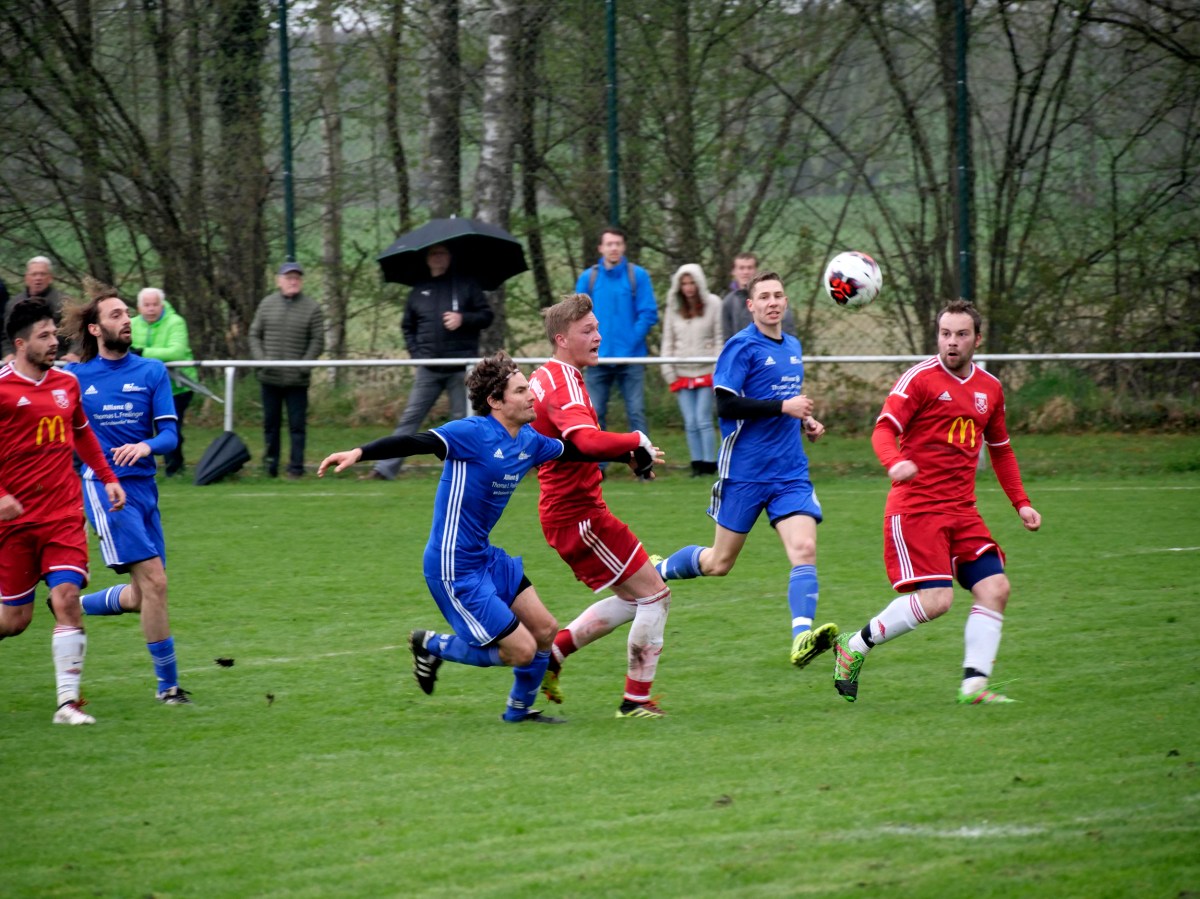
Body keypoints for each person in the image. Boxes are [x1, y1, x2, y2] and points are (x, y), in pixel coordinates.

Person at [317, 352, 657, 724]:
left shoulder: (530, 440)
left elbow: (574, 450)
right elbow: (416, 441)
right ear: (495, 401)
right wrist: (359, 452)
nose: (532, 396)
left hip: (484, 556)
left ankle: (519, 712)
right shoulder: (472, 433)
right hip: (453, 565)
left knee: (545, 630)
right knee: (522, 651)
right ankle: (432, 645)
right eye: (521, 391)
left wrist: (627, 456)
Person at [832, 299, 1042, 705]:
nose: (952, 342)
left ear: (977, 339)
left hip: (962, 510)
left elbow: (1001, 449)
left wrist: (1021, 503)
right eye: (945, 334)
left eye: (961, 334)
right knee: (937, 601)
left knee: (995, 587)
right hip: (917, 508)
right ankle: (854, 644)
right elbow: (882, 430)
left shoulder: (990, 388)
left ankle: (974, 688)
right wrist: (894, 462)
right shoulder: (920, 380)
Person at [653, 272, 839, 669]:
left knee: (804, 549)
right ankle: (658, 569)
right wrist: (783, 408)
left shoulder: (793, 346)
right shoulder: (741, 346)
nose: (773, 302)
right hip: (745, 472)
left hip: (789, 472)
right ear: (751, 305)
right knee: (719, 563)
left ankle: (801, 637)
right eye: (764, 297)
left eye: (778, 295)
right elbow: (726, 405)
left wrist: (805, 421)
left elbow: (786, 399)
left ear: (785, 302)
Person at [528, 294, 672, 719]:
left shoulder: (545, 375)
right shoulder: (564, 383)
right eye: (587, 330)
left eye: (597, 328)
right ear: (562, 338)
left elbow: (567, 445)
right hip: (578, 515)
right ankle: (635, 701)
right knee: (656, 596)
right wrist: (635, 440)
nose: (598, 336)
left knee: (634, 598)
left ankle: (554, 654)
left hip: (571, 511)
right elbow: (585, 440)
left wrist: (624, 455)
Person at [0, 299, 125, 725]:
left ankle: (67, 704)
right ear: (21, 344)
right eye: (44, 336)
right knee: (14, 621)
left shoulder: (66, 383)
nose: (54, 341)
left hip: (63, 515)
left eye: (54, 333)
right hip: (15, 523)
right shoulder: (2, 388)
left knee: (66, 597)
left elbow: (82, 433)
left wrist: (107, 477)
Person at [64, 289, 191, 705]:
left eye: (127, 314)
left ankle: (71, 603)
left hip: (145, 488)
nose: (126, 320)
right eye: (116, 314)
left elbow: (170, 435)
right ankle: (168, 688)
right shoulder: (76, 378)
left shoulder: (152, 371)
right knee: (156, 582)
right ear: (95, 328)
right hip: (106, 490)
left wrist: (145, 446)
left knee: (143, 595)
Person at [364, 244, 493, 481]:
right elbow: (408, 327)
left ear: (450, 256)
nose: (438, 258)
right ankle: (384, 469)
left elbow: (486, 316)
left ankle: (467, 471)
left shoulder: (466, 285)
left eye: (442, 253)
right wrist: (417, 356)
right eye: (433, 253)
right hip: (429, 369)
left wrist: (463, 318)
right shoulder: (418, 290)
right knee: (410, 419)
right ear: (427, 258)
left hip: (461, 369)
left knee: (464, 424)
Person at [574, 227, 658, 467]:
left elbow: (648, 313)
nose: (614, 248)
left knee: (636, 412)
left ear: (624, 247)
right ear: (600, 248)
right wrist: (590, 345)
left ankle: (645, 465)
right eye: (609, 244)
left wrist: (629, 343)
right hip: (596, 360)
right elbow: (576, 316)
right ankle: (598, 468)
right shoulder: (588, 278)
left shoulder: (637, 276)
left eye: (618, 243)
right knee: (594, 414)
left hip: (631, 360)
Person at [249, 262, 325, 478]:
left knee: (297, 426)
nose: (293, 281)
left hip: (297, 379)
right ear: (279, 281)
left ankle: (296, 468)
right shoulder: (267, 304)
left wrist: (304, 364)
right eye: (289, 277)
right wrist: (262, 361)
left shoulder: (312, 307)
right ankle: (270, 467)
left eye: (296, 278)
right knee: (270, 425)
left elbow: (318, 340)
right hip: (269, 377)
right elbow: (254, 335)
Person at [660, 264, 723, 477]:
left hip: (706, 371)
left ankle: (709, 464)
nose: (688, 287)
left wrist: (717, 369)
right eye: (684, 283)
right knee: (690, 422)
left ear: (699, 283)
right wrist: (668, 370)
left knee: (703, 419)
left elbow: (719, 338)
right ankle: (696, 464)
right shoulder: (673, 307)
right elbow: (668, 340)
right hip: (681, 373)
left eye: (692, 282)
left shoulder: (714, 304)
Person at [131, 287, 198, 477]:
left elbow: (176, 352)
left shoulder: (176, 322)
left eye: (155, 304)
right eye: (146, 305)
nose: (151, 309)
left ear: (162, 305)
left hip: (177, 386)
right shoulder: (132, 323)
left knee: (170, 428)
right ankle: (137, 466)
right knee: (140, 427)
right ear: (139, 307)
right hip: (144, 387)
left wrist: (142, 353)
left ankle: (174, 470)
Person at [2, 256, 75, 361]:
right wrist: (8, 353)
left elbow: (78, 333)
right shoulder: (14, 304)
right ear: (26, 278)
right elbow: (5, 336)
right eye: (34, 274)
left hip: (58, 359)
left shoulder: (64, 302)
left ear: (50, 278)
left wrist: (73, 353)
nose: (38, 278)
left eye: (42, 274)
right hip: (22, 360)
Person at [720, 252, 795, 343]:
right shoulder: (729, 302)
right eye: (741, 268)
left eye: (750, 268)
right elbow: (727, 336)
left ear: (756, 270)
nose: (745, 272)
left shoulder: (774, 299)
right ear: (734, 271)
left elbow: (788, 329)